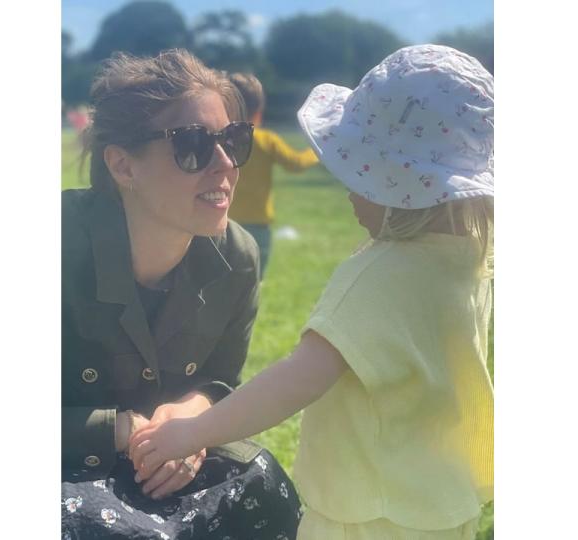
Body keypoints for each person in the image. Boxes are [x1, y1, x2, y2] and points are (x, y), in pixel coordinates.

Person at [129, 44, 495, 540]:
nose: (345, 185)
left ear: (395, 181)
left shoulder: (378, 275)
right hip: (443, 506)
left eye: (357, 171)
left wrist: (193, 432)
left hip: (364, 511)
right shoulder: (468, 264)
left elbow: (297, 380)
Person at [61, 49, 302, 540]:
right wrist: (121, 430)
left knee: (265, 487)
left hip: (170, 462)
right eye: (192, 144)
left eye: (234, 141)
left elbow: (218, 380)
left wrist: (194, 420)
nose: (225, 164)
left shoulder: (238, 257)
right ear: (123, 166)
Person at [226, 72, 319, 277]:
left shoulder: (220, 140)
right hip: (258, 225)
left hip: (223, 222)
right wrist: (316, 150)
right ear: (258, 113)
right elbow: (296, 164)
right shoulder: (266, 140)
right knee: (252, 282)